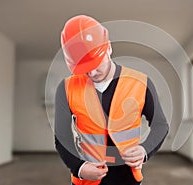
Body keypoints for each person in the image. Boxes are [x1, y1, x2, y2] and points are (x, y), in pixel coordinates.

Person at [54, 15, 169, 185]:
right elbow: (62, 136)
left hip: (128, 179)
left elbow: (160, 124)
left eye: (95, 64)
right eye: (84, 68)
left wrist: (145, 150)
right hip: (87, 179)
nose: (92, 73)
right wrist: (79, 167)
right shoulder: (66, 88)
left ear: (108, 48)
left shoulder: (141, 83)